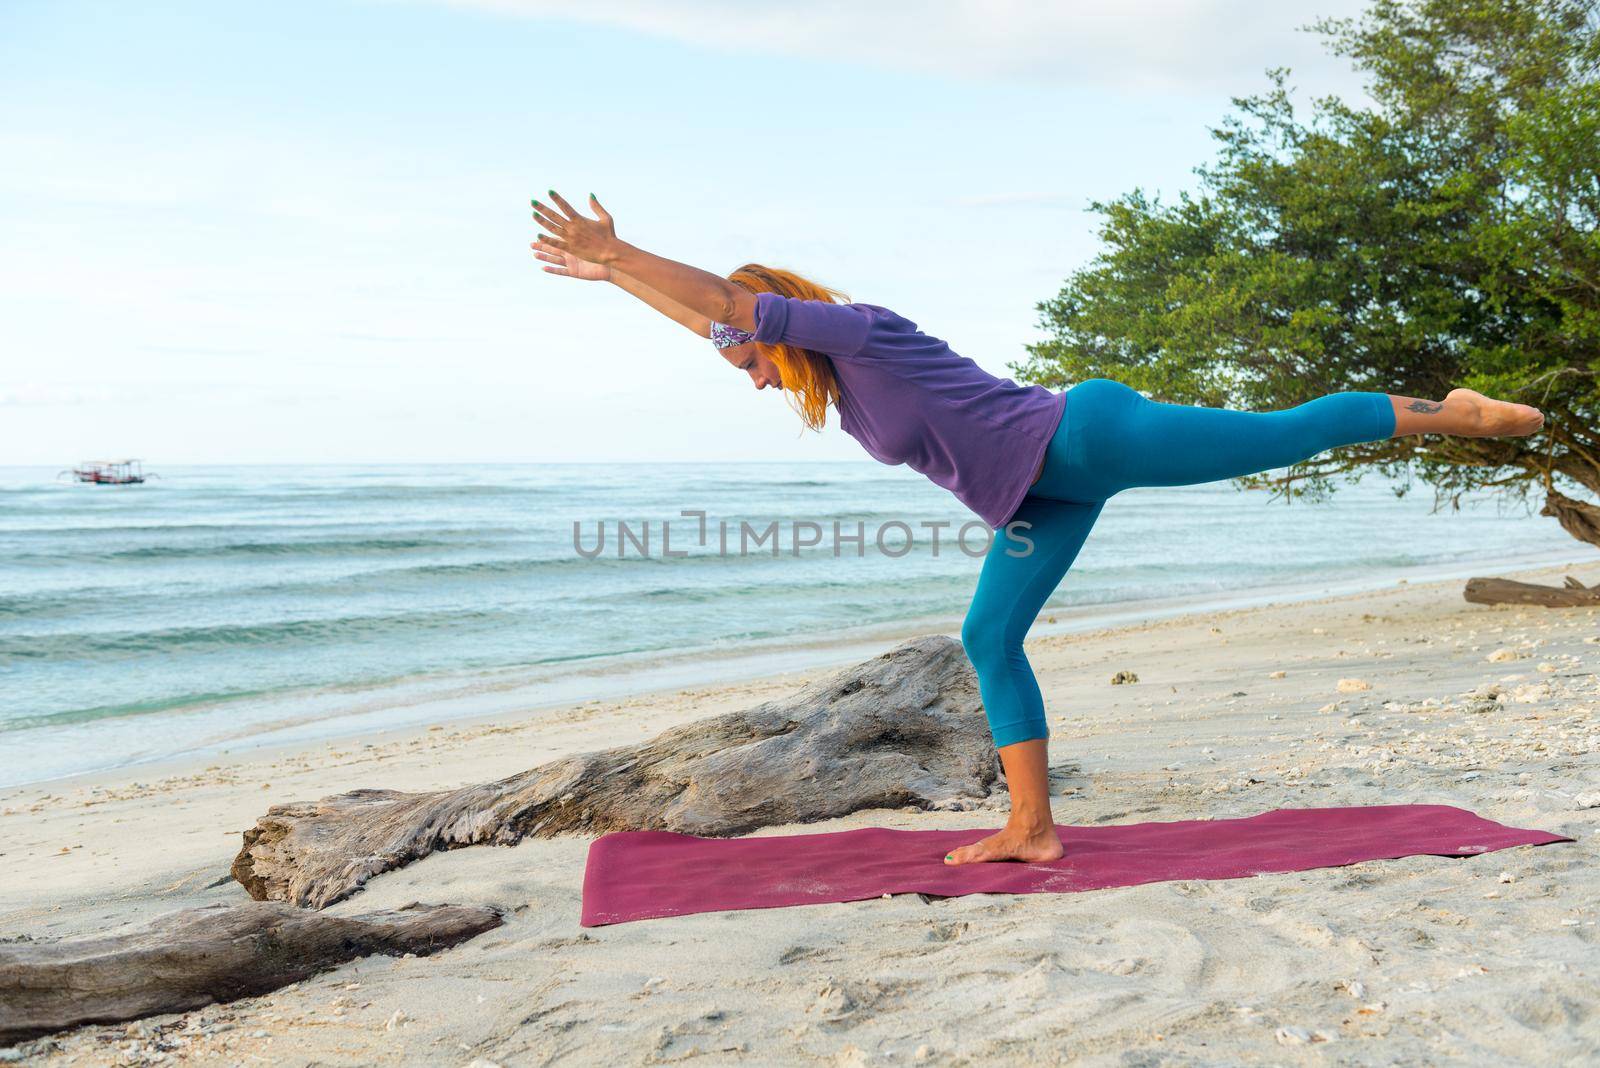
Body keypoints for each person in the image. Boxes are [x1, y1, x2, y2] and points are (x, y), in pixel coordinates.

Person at [530, 189, 1547, 866]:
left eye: (746, 352)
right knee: (987, 638)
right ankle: (1031, 828)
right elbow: (712, 318)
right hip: (1038, 498)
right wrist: (615, 280)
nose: (746, 369)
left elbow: (727, 306)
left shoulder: (857, 329)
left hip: (1086, 437)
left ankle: (1447, 411)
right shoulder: (844, 390)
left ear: (776, 318)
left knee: (1274, 437)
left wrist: (619, 248)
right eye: (735, 361)